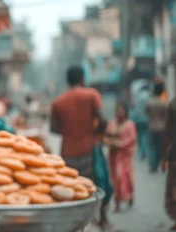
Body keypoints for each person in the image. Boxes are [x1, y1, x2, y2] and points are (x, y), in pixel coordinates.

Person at [51, 66, 110, 228]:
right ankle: (100, 220)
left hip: (67, 154)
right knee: (95, 187)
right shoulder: (92, 95)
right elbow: (103, 121)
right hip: (88, 151)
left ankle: (73, 225)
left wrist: (70, 129)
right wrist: (95, 132)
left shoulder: (58, 101)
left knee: (71, 191)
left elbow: (54, 129)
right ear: (82, 79)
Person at [104, 103, 136, 212]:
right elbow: (106, 136)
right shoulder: (111, 123)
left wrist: (120, 144)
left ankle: (130, 195)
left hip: (125, 156)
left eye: (121, 110)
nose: (119, 113)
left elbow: (131, 139)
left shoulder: (130, 124)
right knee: (116, 178)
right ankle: (117, 202)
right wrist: (109, 142)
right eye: (117, 110)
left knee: (127, 178)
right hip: (113, 156)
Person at [145, 82, 167, 173]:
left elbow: (146, 112)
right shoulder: (163, 103)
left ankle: (152, 165)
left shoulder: (150, 102)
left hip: (152, 126)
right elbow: (165, 115)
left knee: (152, 147)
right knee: (160, 147)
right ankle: (158, 163)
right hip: (162, 127)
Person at [163, 98, 176, 230]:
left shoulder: (173, 104)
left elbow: (167, 133)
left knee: (173, 187)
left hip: (174, 155)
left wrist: (163, 158)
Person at [130, 80, 151, 161]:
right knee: (144, 135)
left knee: (139, 135)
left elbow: (133, 106)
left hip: (137, 118)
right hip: (145, 119)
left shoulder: (137, 96)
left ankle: (141, 151)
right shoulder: (149, 96)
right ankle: (143, 151)